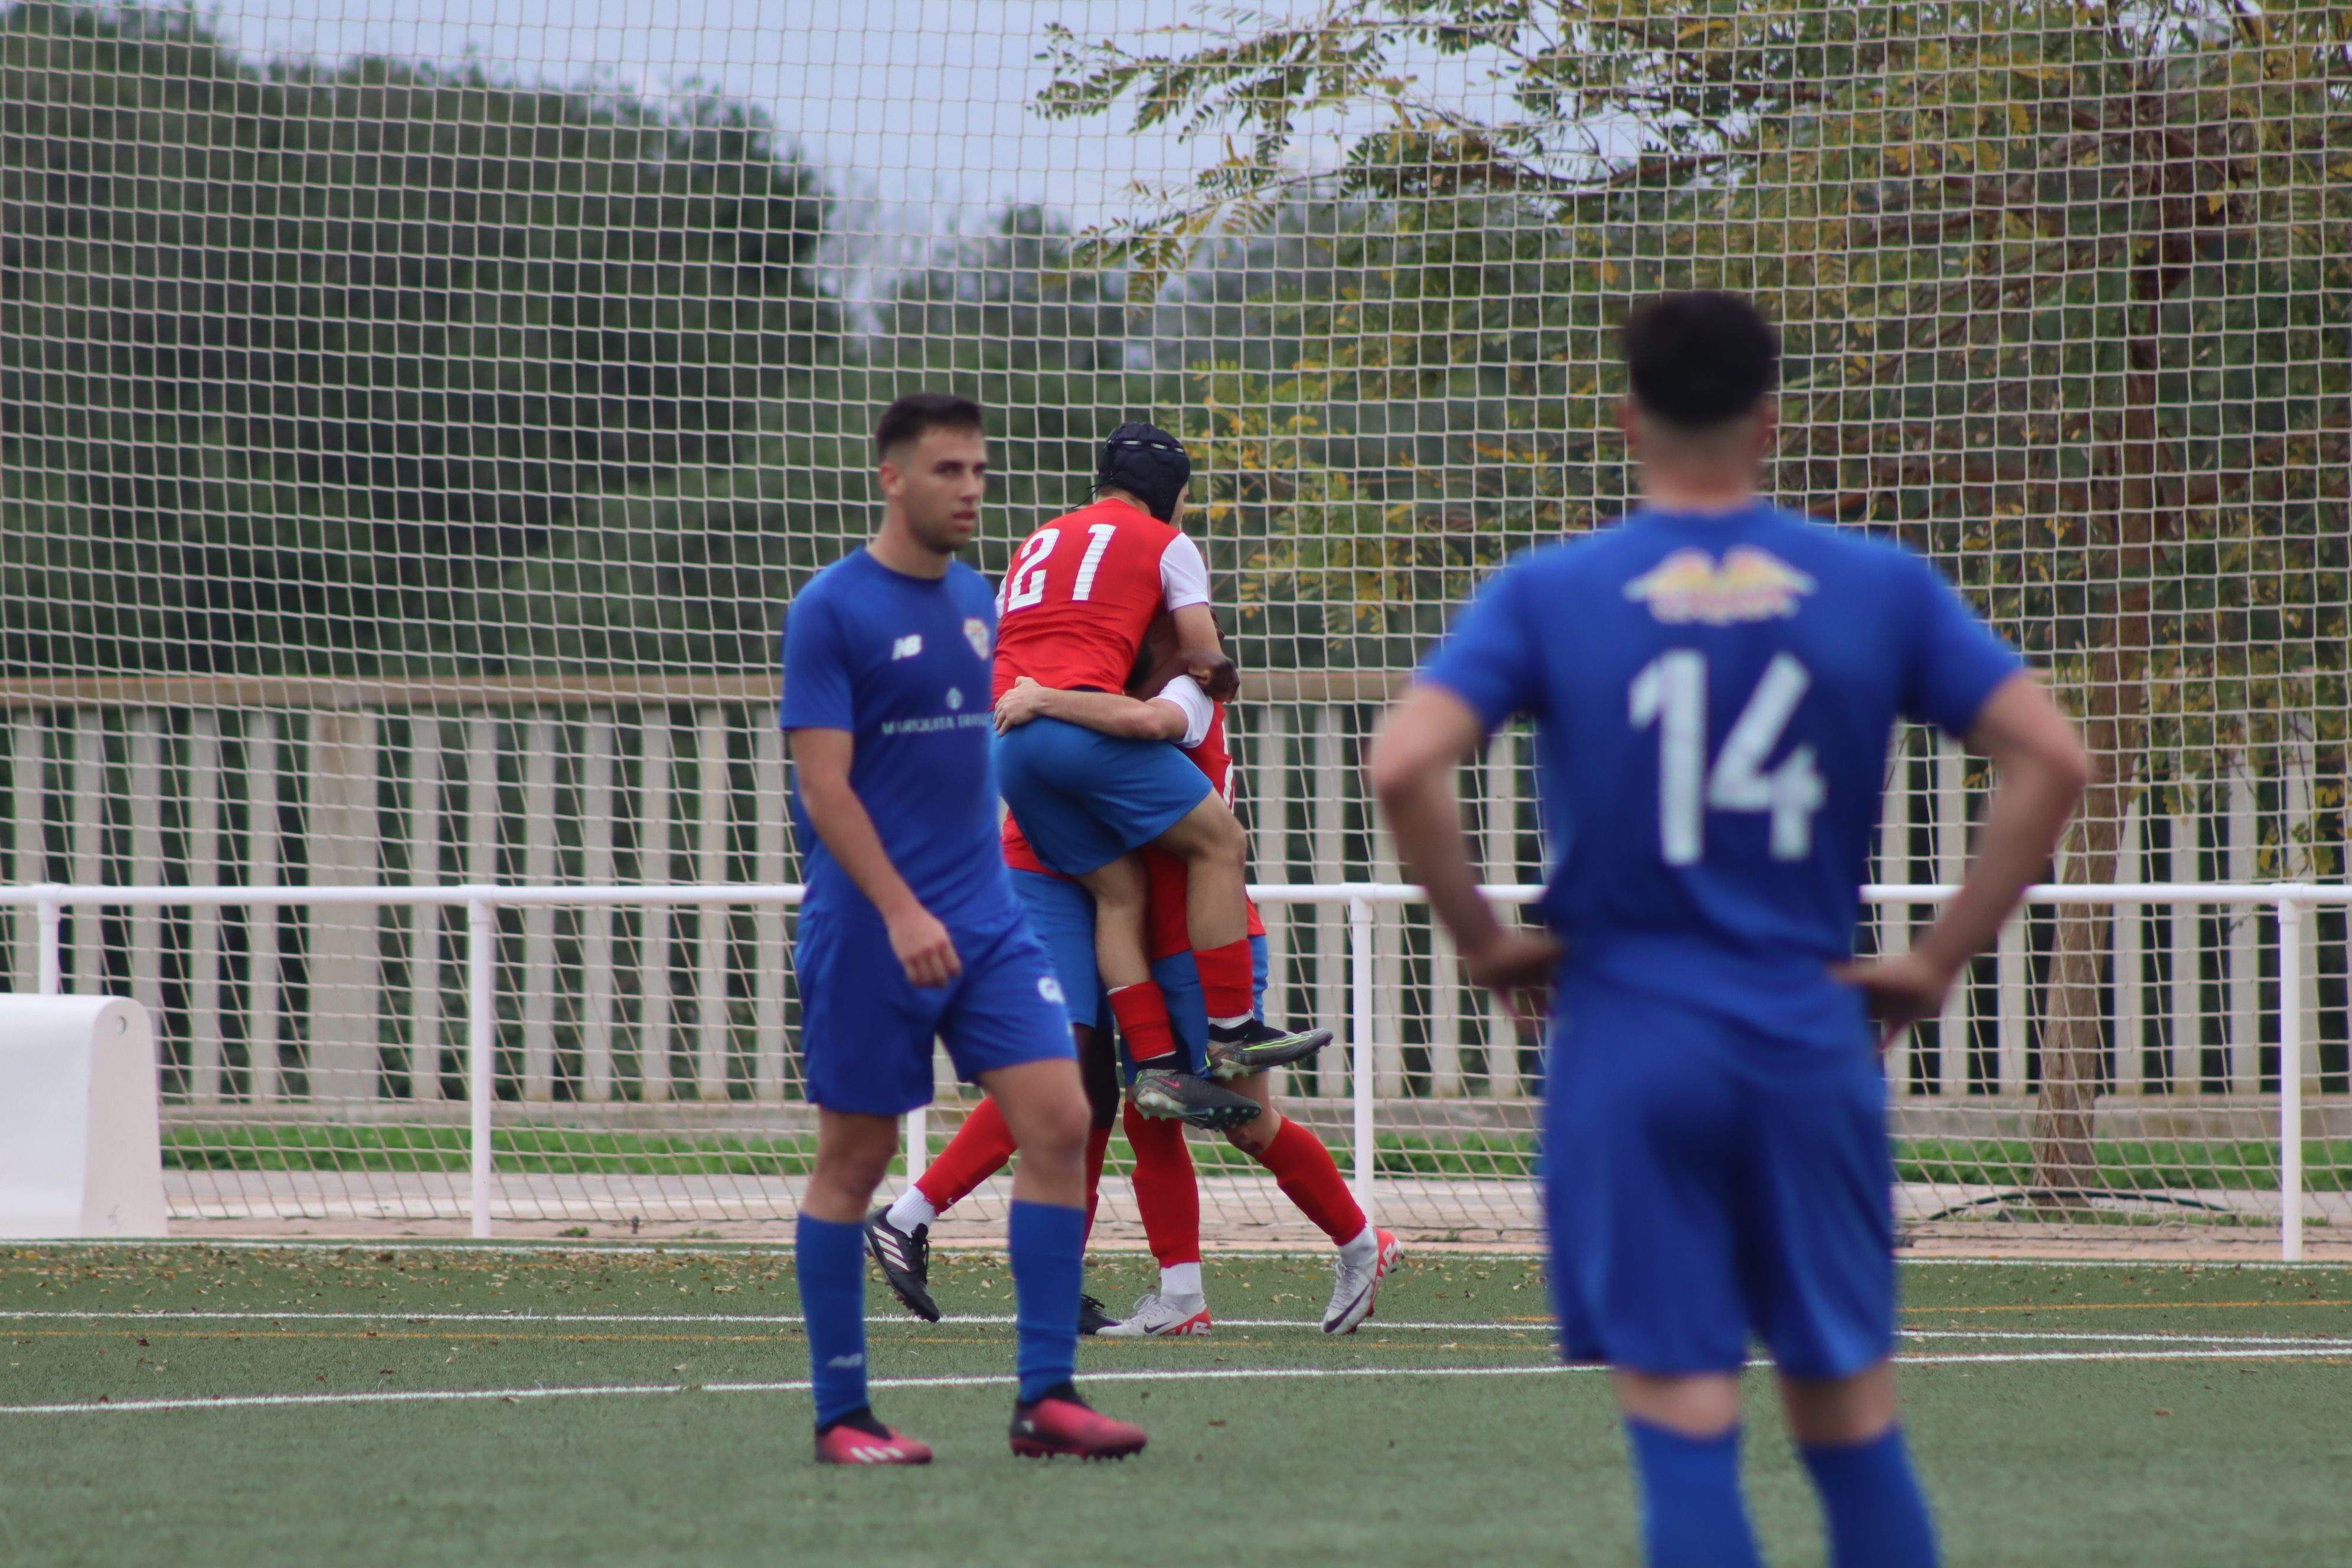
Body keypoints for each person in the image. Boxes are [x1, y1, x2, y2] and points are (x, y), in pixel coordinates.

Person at [1368, 292, 2089, 1567]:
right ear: (1769, 418)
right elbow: (2051, 758)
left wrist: (1485, 942)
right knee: (1849, 1410)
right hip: (1806, 1030)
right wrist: (1932, 961)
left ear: (1627, 416)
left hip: (1630, 1033)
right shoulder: (1874, 583)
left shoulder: (1553, 591)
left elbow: (1404, 762)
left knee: (1685, 1408)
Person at [781, 391, 1148, 1465]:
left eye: (979, 470)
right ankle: (842, 1416)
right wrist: (899, 911)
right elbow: (824, 789)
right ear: (890, 477)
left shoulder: (979, 601)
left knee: (1060, 1118)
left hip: (984, 924)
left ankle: (1046, 1397)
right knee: (853, 1162)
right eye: (948, 471)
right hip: (870, 927)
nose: (970, 489)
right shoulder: (831, 610)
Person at [868, 621, 1391, 1338]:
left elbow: (1149, 723)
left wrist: (1043, 697)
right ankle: (1178, 1294)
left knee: (1240, 1121)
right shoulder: (1111, 726)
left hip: (1201, 944)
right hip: (1135, 928)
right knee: (1126, 1107)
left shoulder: (1173, 701)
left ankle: (1362, 1242)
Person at [992, 422, 1328, 1128]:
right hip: (1079, 728)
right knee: (1221, 843)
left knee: (1119, 892)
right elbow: (1206, 660)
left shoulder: (1034, 543)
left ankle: (1157, 1066)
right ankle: (1234, 1030)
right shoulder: (1168, 543)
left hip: (1010, 745)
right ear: (1171, 493)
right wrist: (1210, 668)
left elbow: (1009, 646)